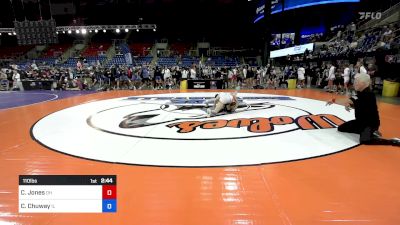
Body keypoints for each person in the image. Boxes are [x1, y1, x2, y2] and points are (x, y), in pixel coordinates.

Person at [326, 73, 399, 146]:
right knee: (341, 128)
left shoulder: (368, 94)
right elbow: (361, 105)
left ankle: (392, 141)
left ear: (363, 83)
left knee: (365, 140)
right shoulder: (360, 93)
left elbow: (350, 100)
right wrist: (350, 104)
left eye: (357, 82)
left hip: (370, 124)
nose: (354, 83)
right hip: (360, 122)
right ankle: (369, 132)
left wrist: (333, 100)